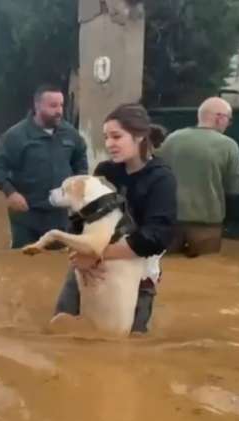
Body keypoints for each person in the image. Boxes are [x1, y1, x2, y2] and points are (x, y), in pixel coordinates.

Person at [54, 103, 177, 334]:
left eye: (116, 136)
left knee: (128, 345)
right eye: (106, 137)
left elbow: (157, 237)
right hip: (87, 266)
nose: (109, 143)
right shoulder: (105, 171)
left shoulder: (161, 179)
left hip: (135, 273)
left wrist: (95, 254)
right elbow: (81, 219)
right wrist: (76, 253)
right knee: (61, 330)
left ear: (140, 136)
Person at [0, 84, 89, 249]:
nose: (59, 111)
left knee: (54, 264)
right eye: (53, 105)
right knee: (25, 263)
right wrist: (10, 193)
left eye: (61, 105)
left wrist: (78, 186)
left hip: (59, 215)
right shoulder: (16, 136)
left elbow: (80, 160)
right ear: (37, 105)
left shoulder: (70, 133)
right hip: (27, 215)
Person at [156, 97, 239, 257]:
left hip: (169, 221)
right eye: (228, 120)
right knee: (206, 267)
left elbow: (157, 173)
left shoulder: (172, 139)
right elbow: (235, 188)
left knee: (167, 270)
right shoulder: (229, 145)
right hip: (206, 225)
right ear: (220, 118)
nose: (228, 124)